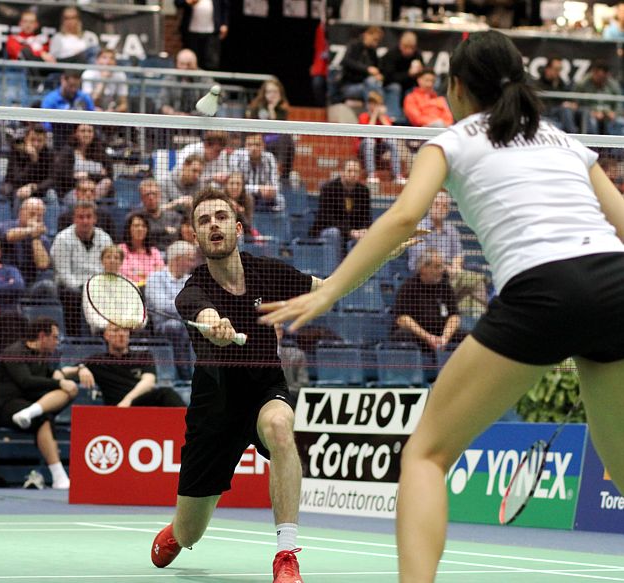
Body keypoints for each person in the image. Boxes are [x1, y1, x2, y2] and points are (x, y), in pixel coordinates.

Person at [257, 30, 624, 582]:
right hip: (615, 284)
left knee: (426, 455)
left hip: (543, 289)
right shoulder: (564, 141)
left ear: (455, 87)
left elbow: (405, 217)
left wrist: (331, 287)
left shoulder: (450, 140)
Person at [150, 189, 325, 583]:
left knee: (281, 426)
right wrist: (215, 325)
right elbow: (204, 313)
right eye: (204, 220)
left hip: (265, 391)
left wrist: (381, 254)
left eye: (221, 217)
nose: (213, 224)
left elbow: (327, 287)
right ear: (195, 235)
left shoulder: (268, 272)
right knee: (190, 531)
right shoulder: (191, 292)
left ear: (237, 227)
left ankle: (286, 555)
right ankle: (179, 531)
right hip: (214, 413)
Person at [0, 317, 88, 490]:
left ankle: (30, 413)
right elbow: (26, 381)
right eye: (55, 337)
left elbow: (54, 375)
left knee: (70, 390)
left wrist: (78, 370)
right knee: (44, 418)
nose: (57, 341)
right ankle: (59, 477)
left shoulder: (44, 356)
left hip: (28, 405)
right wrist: (58, 382)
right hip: (4, 406)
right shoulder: (15, 351)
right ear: (42, 336)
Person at [408, 192, 488, 318]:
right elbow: (423, 258)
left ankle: (472, 320)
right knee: (477, 280)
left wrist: (456, 266)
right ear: (429, 206)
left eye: (445, 206)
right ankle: (482, 319)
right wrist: (446, 268)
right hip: (427, 275)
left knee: (471, 286)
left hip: (451, 274)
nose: (440, 208)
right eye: (437, 204)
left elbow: (458, 254)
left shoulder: (452, 230)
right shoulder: (420, 228)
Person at [50, 200, 113, 335]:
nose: (85, 221)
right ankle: (76, 339)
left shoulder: (105, 239)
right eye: (81, 217)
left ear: (95, 219)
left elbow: (109, 268)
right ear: (74, 219)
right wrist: (86, 289)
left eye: (88, 217)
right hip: (72, 287)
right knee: (73, 295)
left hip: (98, 285)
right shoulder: (62, 239)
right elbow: (63, 273)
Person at [86, 324, 185, 407]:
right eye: (116, 330)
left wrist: (128, 400)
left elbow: (149, 382)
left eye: (125, 330)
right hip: (116, 408)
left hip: (140, 404)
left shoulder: (143, 355)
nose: (121, 334)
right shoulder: (97, 361)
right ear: (106, 335)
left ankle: (191, 426)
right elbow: (70, 371)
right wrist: (81, 369)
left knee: (166, 393)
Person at [391, 249, 464, 355]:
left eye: (442, 266)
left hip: (440, 334)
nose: (442, 270)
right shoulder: (408, 287)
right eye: (437, 266)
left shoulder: (445, 287)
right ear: (423, 268)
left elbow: (454, 316)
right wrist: (428, 337)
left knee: (469, 338)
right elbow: (402, 319)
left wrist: (445, 337)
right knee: (402, 336)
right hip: (418, 335)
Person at [145, 240, 198, 379]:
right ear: (178, 259)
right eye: (190, 260)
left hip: (188, 323)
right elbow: (161, 306)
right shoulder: (154, 278)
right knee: (176, 326)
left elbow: (197, 304)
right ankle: (185, 374)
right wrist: (186, 306)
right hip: (161, 327)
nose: (193, 264)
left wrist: (182, 307)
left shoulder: (191, 280)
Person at [309, 159, 371, 254]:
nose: (353, 174)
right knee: (334, 233)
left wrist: (363, 230)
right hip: (329, 229)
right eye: (349, 171)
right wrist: (349, 231)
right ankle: (336, 268)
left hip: (354, 233)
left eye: (356, 171)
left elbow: (366, 217)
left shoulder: (364, 191)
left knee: (368, 234)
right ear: (342, 172)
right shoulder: (329, 189)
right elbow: (326, 218)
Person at [0, 197, 53, 297]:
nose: (35, 219)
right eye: (32, 214)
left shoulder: (43, 239)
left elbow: (43, 265)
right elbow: (9, 236)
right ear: (21, 213)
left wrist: (35, 238)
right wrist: (31, 231)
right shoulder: (5, 226)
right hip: (4, 281)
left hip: (30, 284)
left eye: (39, 216)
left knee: (48, 286)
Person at [245, 81, 295, 178]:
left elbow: (278, 128)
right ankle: (279, 170)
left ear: (280, 93)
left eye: (275, 92)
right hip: (260, 138)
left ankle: (280, 169)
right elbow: (251, 127)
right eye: (269, 92)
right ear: (264, 93)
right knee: (284, 139)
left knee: (286, 138)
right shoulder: (256, 107)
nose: (272, 94)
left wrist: (272, 109)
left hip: (275, 138)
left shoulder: (282, 109)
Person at [359, 91, 406, 186]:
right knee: (370, 141)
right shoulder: (363, 116)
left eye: (375, 104)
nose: (373, 106)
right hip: (364, 147)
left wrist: (381, 117)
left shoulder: (384, 117)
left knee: (392, 141)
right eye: (371, 103)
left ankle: (397, 175)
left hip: (379, 148)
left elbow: (391, 132)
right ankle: (371, 175)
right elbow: (368, 132)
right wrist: (374, 116)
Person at [228, 134, 284, 212]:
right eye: (250, 145)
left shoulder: (269, 158)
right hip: (242, 197)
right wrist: (258, 189)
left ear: (263, 146)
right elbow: (234, 186)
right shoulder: (236, 156)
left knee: (281, 200)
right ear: (245, 145)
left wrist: (271, 190)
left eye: (257, 145)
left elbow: (275, 185)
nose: (253, 148)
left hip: (264, 198)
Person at [40, 72, 96, 149]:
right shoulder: (50, 100)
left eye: (76, 86)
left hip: (81, 135)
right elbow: (46, 124)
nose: (73, 89)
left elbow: (93, 118)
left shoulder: (84, 98)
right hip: (59, 136)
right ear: (63, 80)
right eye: (71, 86)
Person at [379, 30, 424, 123]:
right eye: (405, 47)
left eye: (411, 48)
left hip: (409, 86)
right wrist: (408, 74)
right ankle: (394, 117)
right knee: (396, 88)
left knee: (418, 89)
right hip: (391, 86)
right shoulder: (391, 55)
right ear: (400, 45)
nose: (408, 50)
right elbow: (388, 78)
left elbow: (422, 75)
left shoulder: (417, 55)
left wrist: (420, 71)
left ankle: (416, 119)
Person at [2, 123, 53, 201]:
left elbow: (51, 179)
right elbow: (17, 178)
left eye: (40, 141)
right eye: (32, 140)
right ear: (26, 139)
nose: (36, 144)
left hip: (39, 189)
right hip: (18, 188)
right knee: (19, 193)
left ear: (45, 140)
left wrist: (33, 187)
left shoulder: (49, 154)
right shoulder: (17, 152)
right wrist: (33, 161)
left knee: (52, 195)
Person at [175, 0, 229, 71]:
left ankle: (210, 81)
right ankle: (190, 80)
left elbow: (225, 6)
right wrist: (187, 2)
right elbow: (178, 3)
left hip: (211, 32)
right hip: (192, 32)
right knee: (191, 60)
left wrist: (224, 23)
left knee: (211, 62)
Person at [530, 56, 579, 134]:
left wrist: (571, 104)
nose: (558, 72)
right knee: (564, 111)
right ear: (547, 69)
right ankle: (574, 134)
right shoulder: (538, 85)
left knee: (567, 111)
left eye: (560, 70)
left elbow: (569, 99)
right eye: (556, 69)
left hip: (559, 116)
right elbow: (541, 106)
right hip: (545, 114)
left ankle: (573, 134)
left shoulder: (560, 84)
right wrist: (561, 105)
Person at [575, 61, 623, 136]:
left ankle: (615, 147)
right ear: (593, 72)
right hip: (590, 113)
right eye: (597, 76)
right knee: (591, 121)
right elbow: (577, 103)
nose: (600, 79)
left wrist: (614, 113)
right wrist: (592, 112)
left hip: (608, 114)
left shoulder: (613, 85)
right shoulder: (583, 84)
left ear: (607, 75)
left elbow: (619, 103)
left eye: (602, 77)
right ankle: (593, 146)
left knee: (620, 122)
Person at [119, 213, 165, 287]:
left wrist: (137, 273)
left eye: (144, 226)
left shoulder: (154, 252)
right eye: (136, 226)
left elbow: (160, 274)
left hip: (151, 289)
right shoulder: (121, 249)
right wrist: (146, 275)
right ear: (129, 229)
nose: (140, 229)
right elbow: (122, 272)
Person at [82, 48, 129, 112]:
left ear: (115, 62)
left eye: (111, 58)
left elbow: (124, 104)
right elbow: (89, 102)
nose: (108, 61)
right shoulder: (88, 74)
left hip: (112, 112)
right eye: (104, 57)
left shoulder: (120, 75)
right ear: (97, 60)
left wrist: (114, 111)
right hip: (92, 111)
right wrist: (103, 80)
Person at [139, 178, 181, 249]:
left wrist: (153, 232)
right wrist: (164, 230)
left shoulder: (174, 216)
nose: (151, 197)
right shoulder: (137, 217)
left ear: (160, 195)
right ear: (141, 197)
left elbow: (175, 235)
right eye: (147, 194)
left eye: (154, 194)